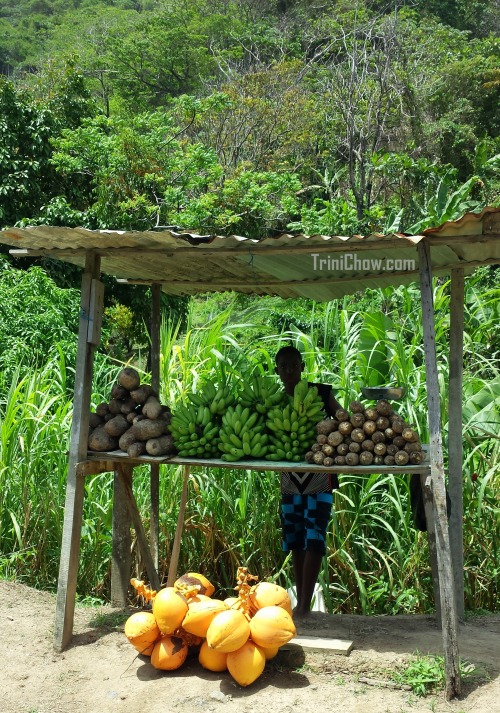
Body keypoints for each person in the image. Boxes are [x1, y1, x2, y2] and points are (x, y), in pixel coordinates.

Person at [274, 345, 342, 618]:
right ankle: (301, 602)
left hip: (319, 477)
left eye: (294, 365)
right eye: (284, 366)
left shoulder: (320, 394)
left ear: (303, 367)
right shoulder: (276, 402)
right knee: (294, 538)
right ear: (277, 370)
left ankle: (303, 605)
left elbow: (341, 418)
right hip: (290, 480)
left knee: (314, 537)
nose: (290, 371)